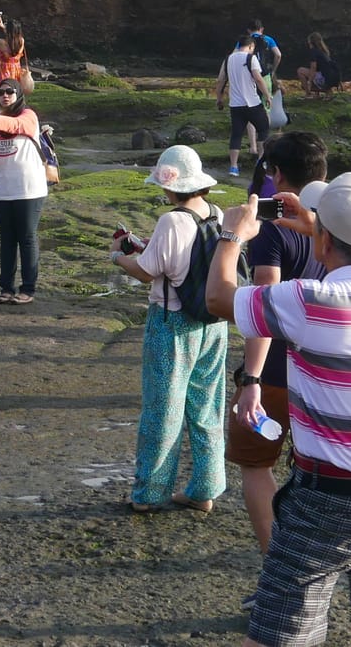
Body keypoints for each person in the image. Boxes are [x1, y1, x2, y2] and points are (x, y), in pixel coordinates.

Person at [206, 173, 351, 647]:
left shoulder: (308, 300)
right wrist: (321, 230)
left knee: (278, 637)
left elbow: (218, 298)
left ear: (326, 240)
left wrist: (232, 235)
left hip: (327, 499)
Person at [108, 143, 225, 514]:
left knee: (163, 410)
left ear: (170, 185)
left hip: (172, 324)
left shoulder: (172, 221)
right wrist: (145, 248)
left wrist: (118, 257)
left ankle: (150, 493)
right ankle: (205, 488)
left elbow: (146, 272)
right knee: (207, 408)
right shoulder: (216, 213)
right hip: (213, 323)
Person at [228, 131, 329, 553]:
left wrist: (249, 377)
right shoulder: (336, 220)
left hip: (275, 369)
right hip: (324, 361)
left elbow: (265, 306)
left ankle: (278, 564)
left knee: (255, 463)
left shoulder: (271, 229)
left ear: (276, 174)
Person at [0, 77, 48, 304]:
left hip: (29, 188)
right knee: (7, 240)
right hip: (2, 188)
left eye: (10, 91)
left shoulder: (28, 116)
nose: (5, 95)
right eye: (1, 92)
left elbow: (16, 126)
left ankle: (28, 288)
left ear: (18, 94)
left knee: (27, 238)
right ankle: (6, 288)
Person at [218, 33, 270, 178]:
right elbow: (258, 79)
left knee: (236, 135)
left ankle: (233, 167)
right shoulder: (251, 58)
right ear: (251, 46)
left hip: (235, 105)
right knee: (263, 129)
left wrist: (219, 98)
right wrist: (267, 95)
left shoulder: (228, 59)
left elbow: (221, 80)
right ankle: (261, 162)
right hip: (252, 103)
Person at [0, 12, 27, 86]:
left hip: (4, 70)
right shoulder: (21, 41)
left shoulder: (1, 43)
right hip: (16, 69)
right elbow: (12, 35)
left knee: (4, 89)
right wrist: (3, 27)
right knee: (14, 89)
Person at [295, 32, 339, 97]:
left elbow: (313, 68)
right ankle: (322, 93)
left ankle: (308, 94)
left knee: (300, 71)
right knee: (313, 75)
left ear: (310, 42)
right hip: (331, 79)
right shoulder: (323, 51)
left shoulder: (314, 51)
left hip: (325, 79)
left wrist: (309, 82)